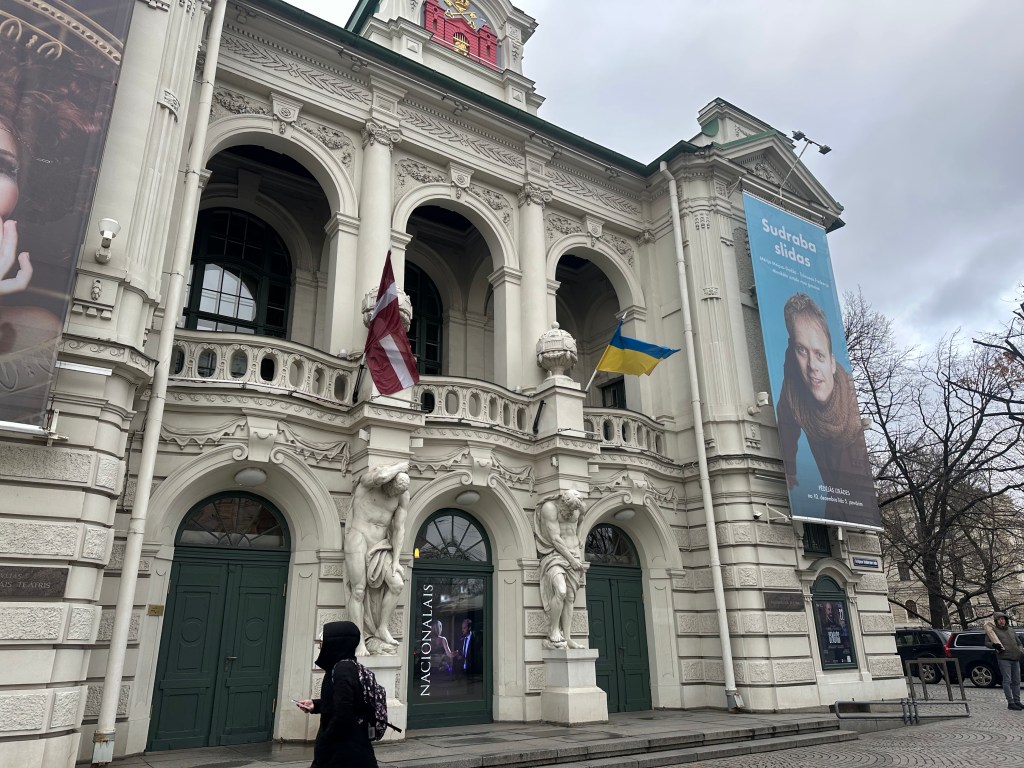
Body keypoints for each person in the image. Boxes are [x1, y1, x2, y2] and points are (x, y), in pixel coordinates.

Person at [775, 293, 875, 516]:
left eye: (819, 355)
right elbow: (786, 425)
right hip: (828, 495)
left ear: (832, 362)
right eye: (802, 350)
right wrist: (788, 470)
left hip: (854, 502)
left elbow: (857, 492)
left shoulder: (849, 408)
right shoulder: (794, 389)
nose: (812, 366)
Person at [345, 462, 410, 656]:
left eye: (398, 492)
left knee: (397, 584)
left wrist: (396, 561)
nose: (393, 494)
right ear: (389, 481)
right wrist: (399, 467)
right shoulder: (367, 484)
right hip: (358, 538)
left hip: (380, 546)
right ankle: (358, 641)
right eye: (393, 489)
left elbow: (399, 529)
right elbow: (380, 477)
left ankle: (382, 627)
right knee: (358, 591)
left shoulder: (402, 495)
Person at [296, 621, 378, 768]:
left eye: (323, 642)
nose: (321, 646)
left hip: (342, 752)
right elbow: (342, 702)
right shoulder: (349, 666)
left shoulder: (342, 670)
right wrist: (315, 705)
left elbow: (343, 713)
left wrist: (326, 740)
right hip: (352, 748)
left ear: (336, 643)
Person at [534, 489, 586, 649]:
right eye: (569, 509)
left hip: (574, 554)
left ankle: (568, 638)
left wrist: (579, 538)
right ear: (563, 501)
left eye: (574, 509)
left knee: (570, 597)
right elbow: (555, 538)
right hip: (555, 554)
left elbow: (581, 521)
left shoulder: (579, 507)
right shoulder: (549, 507)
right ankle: (554, 630)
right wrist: (571, 560)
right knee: (561, 591)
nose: (571, 512)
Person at [983, 612, 1024, 710]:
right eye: (999, 619)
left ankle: (1017, 701)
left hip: (1015, 657)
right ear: (996, 621)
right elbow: (987, 643)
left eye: (1003, 619)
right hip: (1004, 658)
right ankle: (1010, 702)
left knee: (1017, 681)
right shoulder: (993, 631)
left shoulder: (1011, 630)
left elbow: (1019, 643)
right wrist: (994, 645)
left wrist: (1020, 651)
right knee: (1007, 680)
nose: (1002, 621)